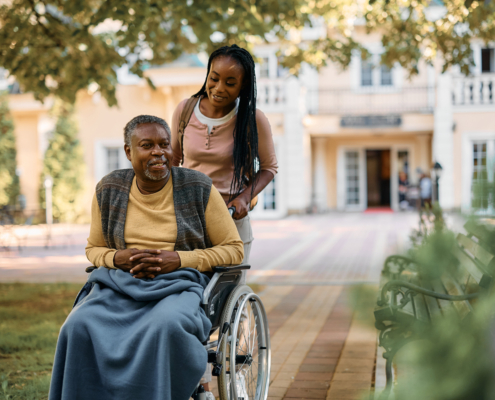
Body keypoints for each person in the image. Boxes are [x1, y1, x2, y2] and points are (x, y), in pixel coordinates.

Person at [48, 115, 244, 400]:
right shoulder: (109, 189)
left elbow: (233, 249)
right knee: (77, 326)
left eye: (164, 145)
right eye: (147, 145)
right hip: (119, 285)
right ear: (129, 151)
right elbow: (93, 249)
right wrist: (119, 258)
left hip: (178, 286)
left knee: (164, 326)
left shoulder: (198, 188)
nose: (158, 152)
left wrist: (178, 259)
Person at [171, 44, 278, 268]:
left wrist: (244, 198)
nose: (219, 88)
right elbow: (173, 160)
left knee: (227, 290)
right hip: (189, 219)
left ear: (243, 85)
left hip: (230, 219)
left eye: (230, 83)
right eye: (214, 78)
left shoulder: (253, 119)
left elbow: (269, 168)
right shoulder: (185, 110)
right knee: (187, 289)